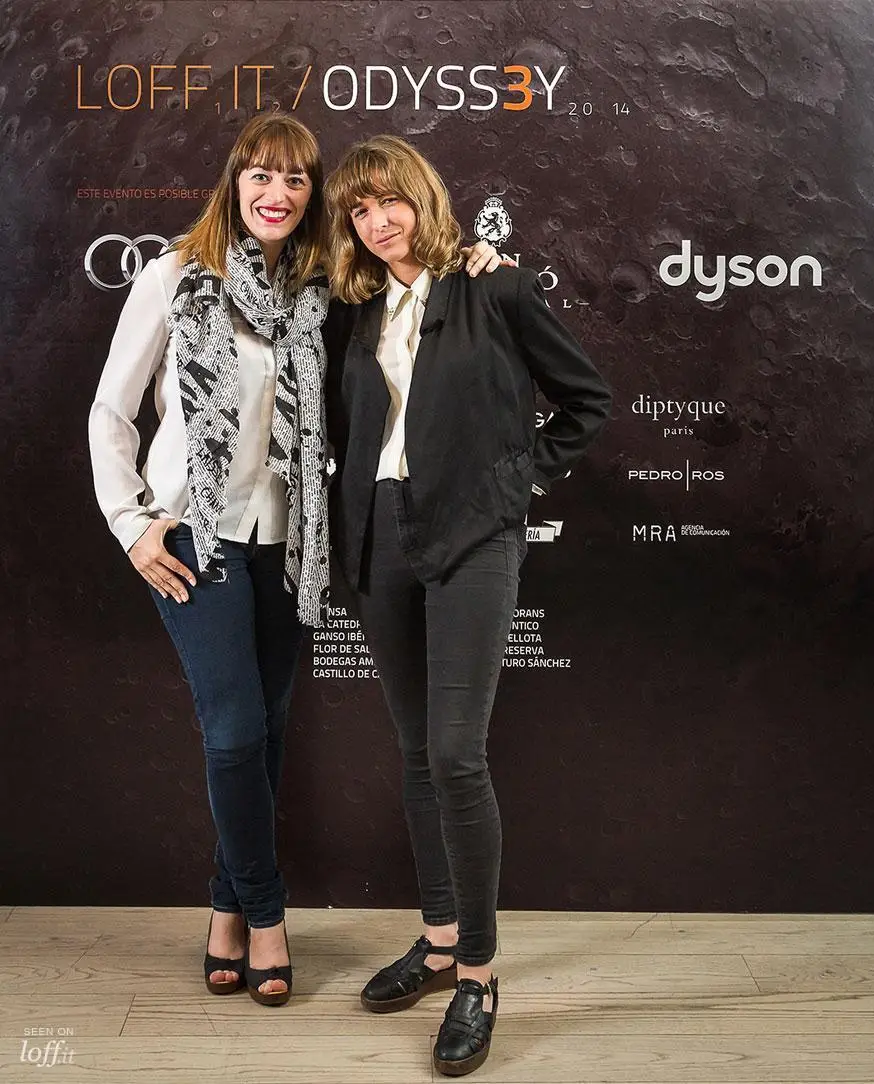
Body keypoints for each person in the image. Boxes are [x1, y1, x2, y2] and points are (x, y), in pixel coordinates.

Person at [88, 113, 502, 1008]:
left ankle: (224, 908)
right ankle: (268, 916)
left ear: (313, 196)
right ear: (234, 182)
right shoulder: (174, 276)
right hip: (192, 535)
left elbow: (416, 296)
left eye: (297, 180)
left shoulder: (323, 292)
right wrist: (131, 522)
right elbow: (111, 412)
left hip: (288, 543)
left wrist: (475, 261)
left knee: (268, 731)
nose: (277, 194)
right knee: (235, 730)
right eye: (261, 176)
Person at [323, 135, 611, 1074]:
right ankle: (440, 941)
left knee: (455, 752)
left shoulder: (496, 289)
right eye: (360, 209)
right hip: (379, 537)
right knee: (416, 752)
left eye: (391, 201)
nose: (379, 221)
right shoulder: (352, 308)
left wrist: (512, 487)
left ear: (423, 197)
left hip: (474, 535)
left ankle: (480, 976)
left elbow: (586, 401)